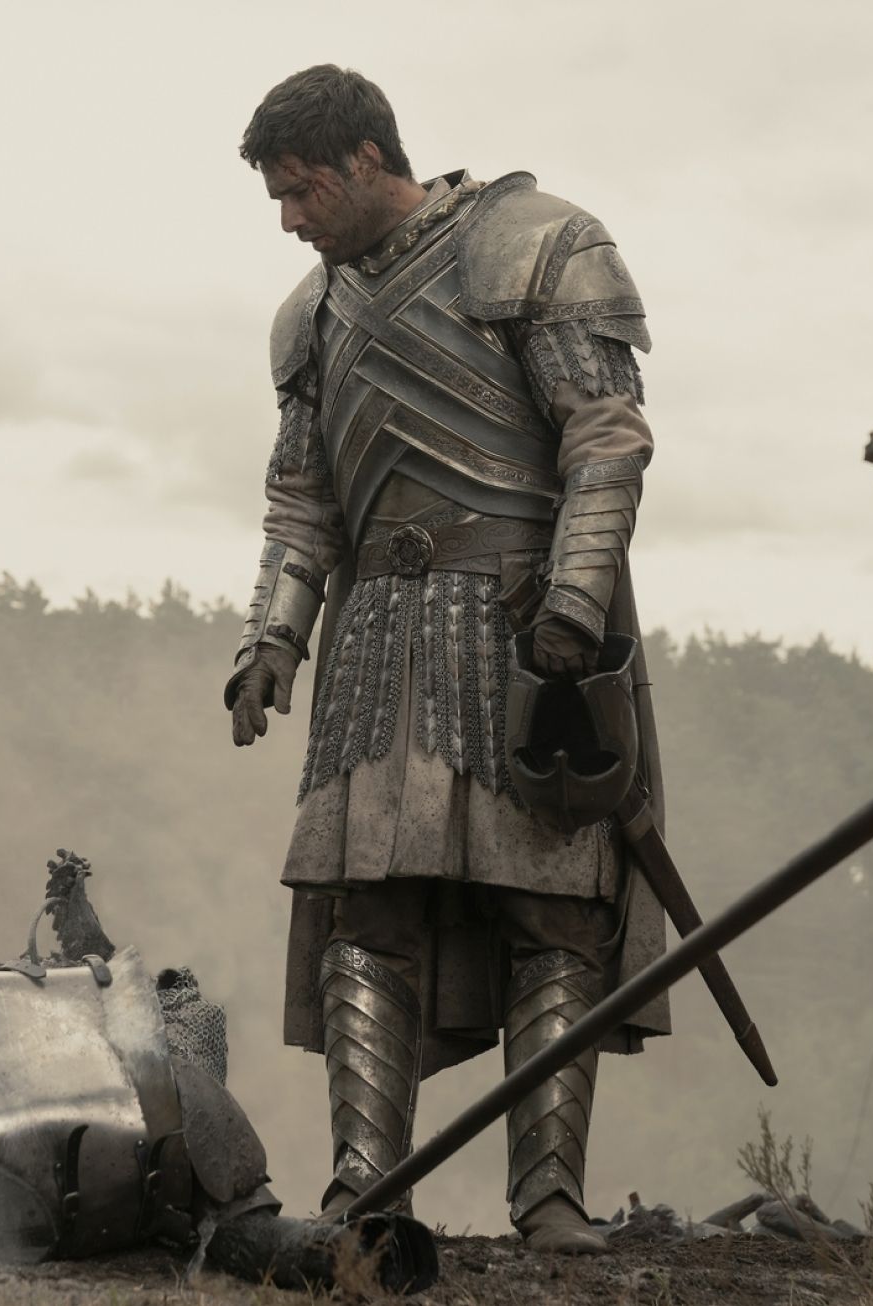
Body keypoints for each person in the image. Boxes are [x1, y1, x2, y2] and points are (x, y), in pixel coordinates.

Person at [223, 64, 671, 1256]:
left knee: (551, 907)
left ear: (367, 157)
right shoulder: (309, 317)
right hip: (376, 639)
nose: (289, 218)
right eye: (277, 198)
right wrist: (272, 636)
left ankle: (549, 1198)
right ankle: (367, 1188)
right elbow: (303, 501)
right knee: (369, 910)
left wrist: (573, 598)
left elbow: (604, 438)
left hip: (523, 629)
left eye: (302, 190)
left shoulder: (534, 247)